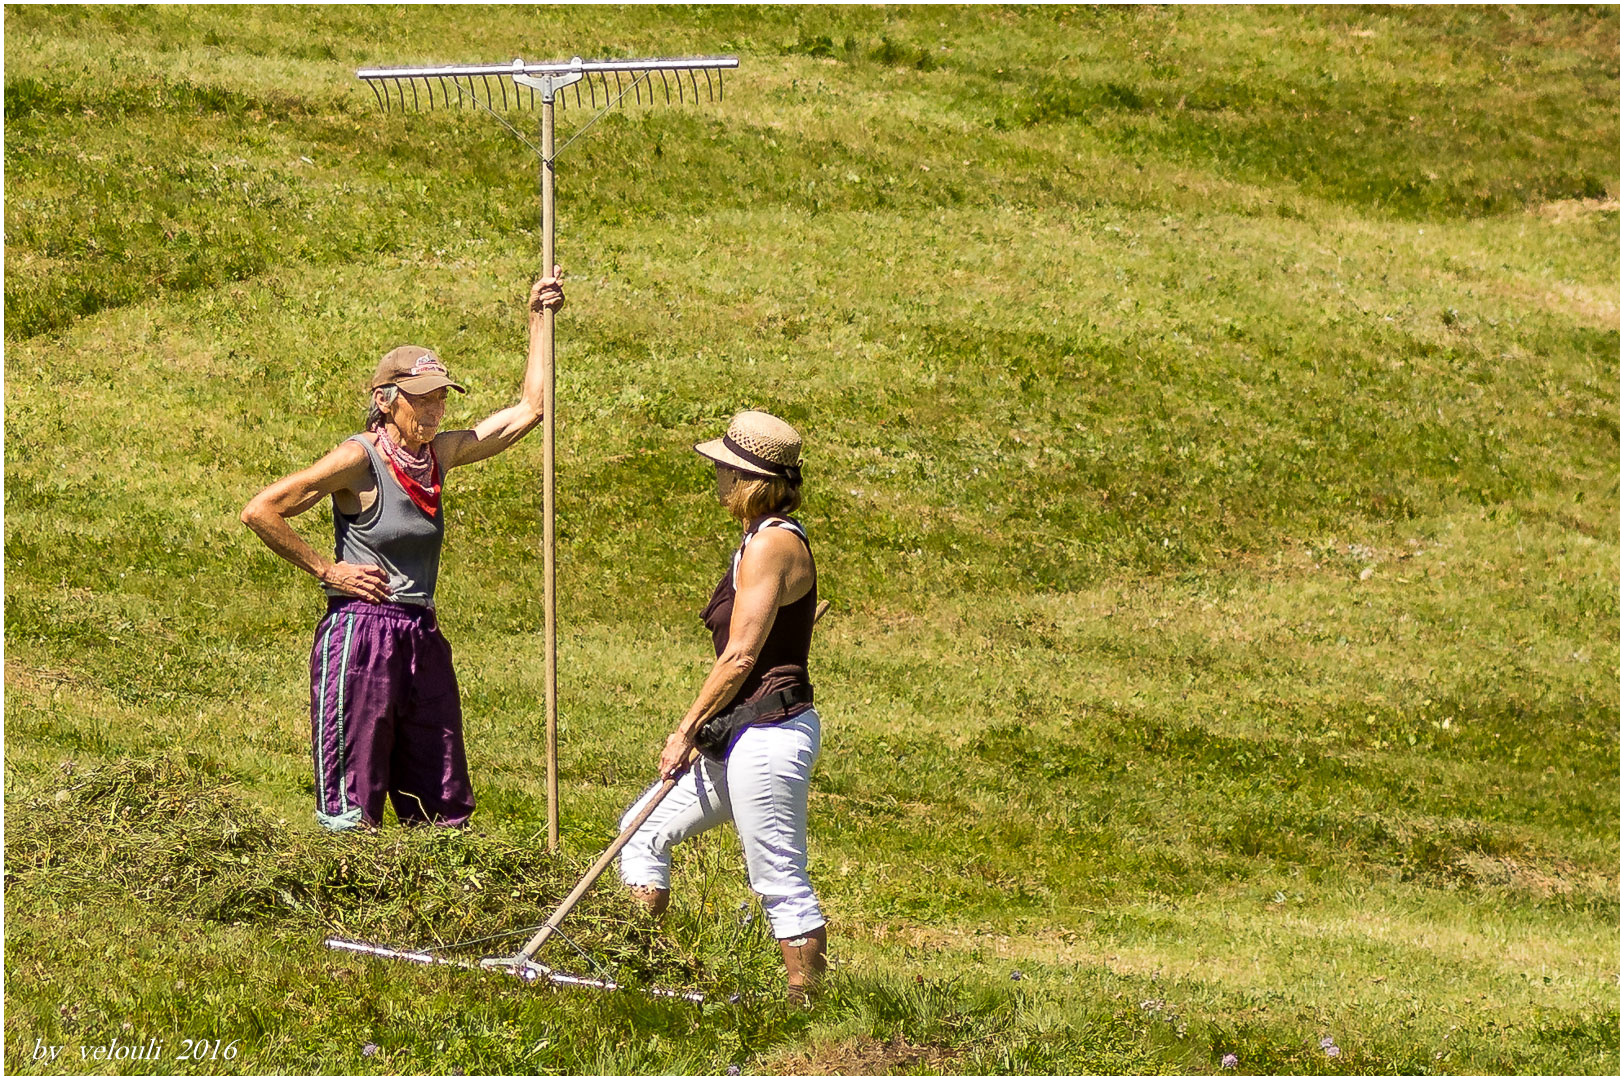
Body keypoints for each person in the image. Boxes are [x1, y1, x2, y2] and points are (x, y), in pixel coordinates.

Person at [240, 271, 565, 831]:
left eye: (441, 398)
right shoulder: (357, 458)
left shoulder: (440, 454)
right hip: (361, 635)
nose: (435, 411)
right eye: (422, 400)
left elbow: (529, 410)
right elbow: (261, 509)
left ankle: (438, 900)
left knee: (439, 793)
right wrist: (328, 569)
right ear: (386, 400)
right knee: (353, 794)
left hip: (421, 634)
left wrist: (538, 316)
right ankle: (348, 909)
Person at [616, 410, 827, 1002]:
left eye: (724, 468)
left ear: (747, 478)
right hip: (742, 729)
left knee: (778, 877)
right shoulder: (759, 540)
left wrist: (685, 729)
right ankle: (639, 973)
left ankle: (805, 1009)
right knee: (642, 831)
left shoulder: (773, 544)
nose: (716, 475)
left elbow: (738, 657)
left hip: (769, 734)